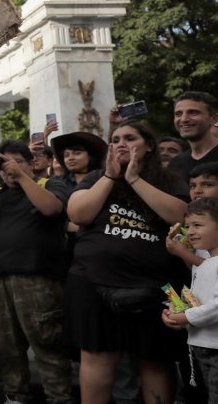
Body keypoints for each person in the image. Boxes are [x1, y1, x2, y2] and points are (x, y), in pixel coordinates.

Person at [66, 120, 189, 404]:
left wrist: (135, 180)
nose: (121, 143)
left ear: (148, 146)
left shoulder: (169, 179)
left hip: (157, 285)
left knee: (155, 360)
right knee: (97, 357)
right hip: (93, 282)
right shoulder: (98, 176)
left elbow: (180, 217)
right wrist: (110, 177)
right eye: (115, 138)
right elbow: (78, 214)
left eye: (130, 138)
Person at [0, 141, 74, 404]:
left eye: (17, 161)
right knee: (3, 348)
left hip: (38, 278)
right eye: (4, 163)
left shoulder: (49, 184)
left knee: (47, 344)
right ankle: (15, 396)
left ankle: (59, 398)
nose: (8, 168)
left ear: (31, 162)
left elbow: (52, 209)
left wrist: (22, 176)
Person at [161, 198, 218, 403]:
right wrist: (174, 312)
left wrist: (186, 317)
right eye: (188, 226)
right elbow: (198, 301)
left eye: (198, 225)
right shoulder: (203, 264)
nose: (189, 232)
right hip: (201, 344)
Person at [169, 91, 218, 182]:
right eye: (178, 114)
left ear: (214, 119)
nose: (184, 119)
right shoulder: (175, 164)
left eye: (193, 113)